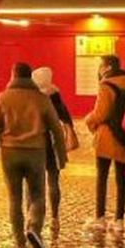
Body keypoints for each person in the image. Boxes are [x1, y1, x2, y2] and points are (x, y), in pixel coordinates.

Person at [0, 61, 67, 248]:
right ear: (30, 77)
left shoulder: (3, 98)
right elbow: (56, 128)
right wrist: (61, 156)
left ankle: (20, 244)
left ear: (13, 75)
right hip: (35, 152)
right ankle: (34, 230)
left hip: (10, 153)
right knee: (37, 195)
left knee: (15, 198)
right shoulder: (40, 98)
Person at [83, 54, 125, 226]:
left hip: (107, 136)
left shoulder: (105, 85)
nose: (99, 69)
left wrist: (88, 121)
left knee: (102, 176)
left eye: (101, 66)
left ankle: (100, 218)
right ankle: (120, 220)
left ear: (107, 67)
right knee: (122, 179)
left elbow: (101, 113)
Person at [32, 66, 76, 231]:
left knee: (34, 182)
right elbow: (65, 116)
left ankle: (34, 215)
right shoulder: (55, 95)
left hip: (35, 143)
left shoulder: (33, 96)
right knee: (53, 180)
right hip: (53, 144)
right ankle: (55, 216)